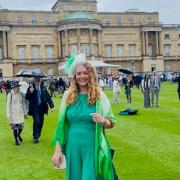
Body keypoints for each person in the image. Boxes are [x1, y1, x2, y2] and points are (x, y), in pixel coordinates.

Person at [52, 54, 116, 180]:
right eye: (79, 73)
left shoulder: (99, 96)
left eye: (85, 73)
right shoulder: (68, 96)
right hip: (73, 146)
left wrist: (103, 121)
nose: (82, 76)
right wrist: (58, 150)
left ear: (90, 74)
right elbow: (61, 126)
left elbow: (111, 121)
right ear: (74, 76)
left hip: (92, 145)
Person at [26, 77, 54, 143]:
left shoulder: (43, 88)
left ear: (40, 81)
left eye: (39, 80)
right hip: (34, 108)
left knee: (41, 123)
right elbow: (27, 97)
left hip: (42, 108)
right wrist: (30, 92)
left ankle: (38, 135)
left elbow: (48, 97)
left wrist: (51, 106)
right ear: (34, 81)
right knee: (37, 121)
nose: (38, 82)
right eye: (36, 80)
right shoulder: (30, 88)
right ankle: (35, 136)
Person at [6, 81, 27, 145]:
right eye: (17, 87)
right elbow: (8, 105)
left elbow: (23, 103)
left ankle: (18, 135)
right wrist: (8, 115)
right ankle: (16, 140)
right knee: (15, 127)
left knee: (21, 127)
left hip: (20, 113)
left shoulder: (20, 94)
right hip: (13, 113)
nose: (19, 88)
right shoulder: (10, 95)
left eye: (19, 87)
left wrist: (25, 113)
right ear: (14, 88)